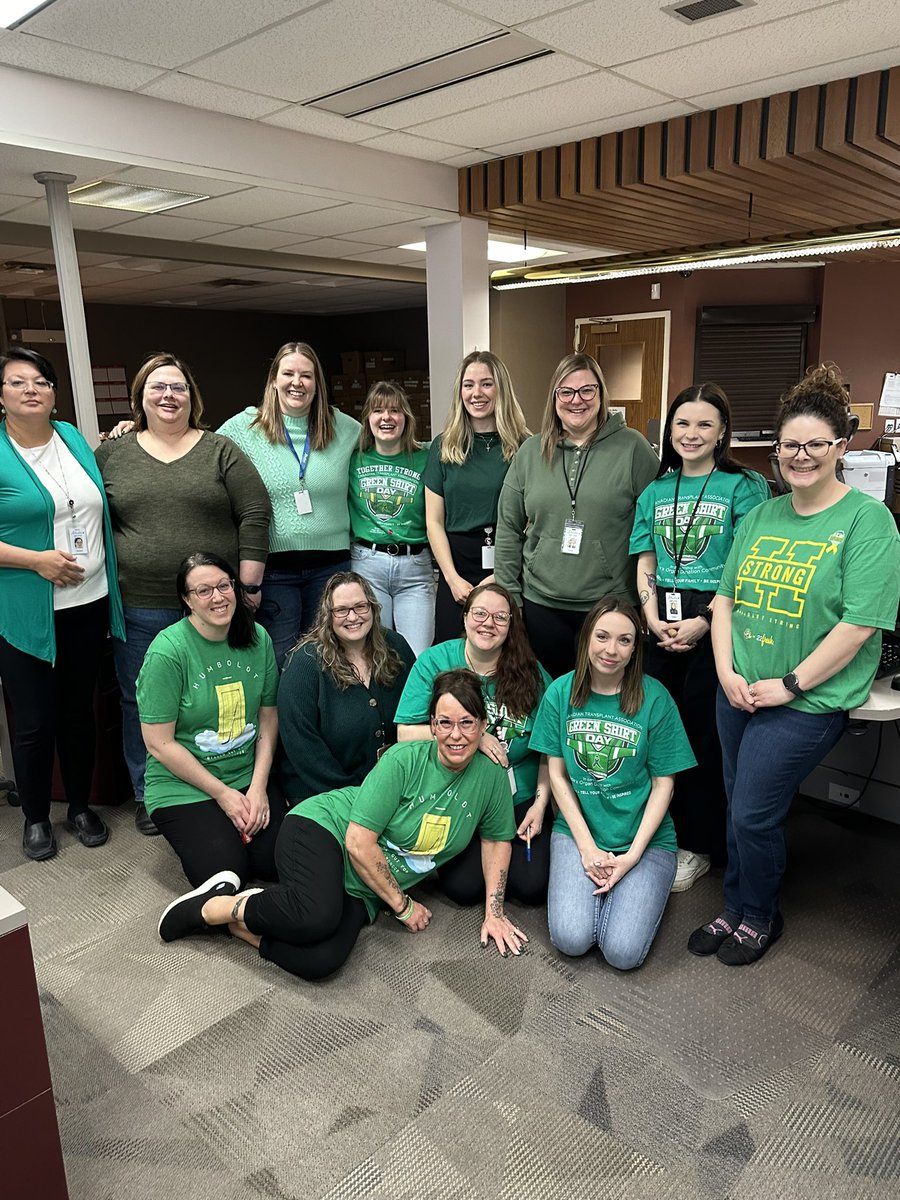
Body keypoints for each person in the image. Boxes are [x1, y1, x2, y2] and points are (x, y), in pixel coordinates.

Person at [690, 364, 900, 966]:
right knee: (738, 804)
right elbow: (724, 600)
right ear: (775, 452)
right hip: (739, 690)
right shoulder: (761, 516)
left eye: (814, 445)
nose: (800, 456)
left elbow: (860, 623)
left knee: (755, 811)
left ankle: (759, 914)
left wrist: (787, 685)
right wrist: (727, 670)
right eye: (789, 446)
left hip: (805, 699)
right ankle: (733, 906)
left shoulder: (867, 521)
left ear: (840, 447)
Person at [155, 669, 527, 981]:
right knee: (317, 916)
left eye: (467, 723)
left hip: (367, 883)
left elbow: (497, 841)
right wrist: (402, 906)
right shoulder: (403, 760)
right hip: (324, 829)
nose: (456, 735)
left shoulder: (491, 776)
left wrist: (495, 913)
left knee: (322, 961)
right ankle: (211, 910)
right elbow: (358, 842)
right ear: (431, 724)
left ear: (482, 726)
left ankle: (242, 918)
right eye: (444, 723)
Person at [96, 352, 270, 836]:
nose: (169, 395)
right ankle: (148, 792)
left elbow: (255, 512)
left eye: (179, 388)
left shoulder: (220, 449)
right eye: (158, 387)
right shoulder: (113, 453)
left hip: (215, 602)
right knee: (143, 703)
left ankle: (225, 780)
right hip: (140, 601)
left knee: (220, 696)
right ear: (141, 398)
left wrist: (248, 585)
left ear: (192, 397)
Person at [630, 383, 770, 892]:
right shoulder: (655, 489)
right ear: (670, 430)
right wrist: (649, 616)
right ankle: (656, 830)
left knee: (704, 735)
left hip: (718, 614)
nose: (691, 434)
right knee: (656, 729)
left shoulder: (743, 486)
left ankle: (699, 845)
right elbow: (646, 557)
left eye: (704, 424)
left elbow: (747, 563)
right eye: (682, 423)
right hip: (660, 616)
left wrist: (706, 619)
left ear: (722, 433)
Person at [0, 348, 125, 861]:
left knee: (79, 713)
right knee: (32, 722)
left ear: (54, 393)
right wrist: (35, 561)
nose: (32, 389)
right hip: (28, 612)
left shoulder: (72, 437)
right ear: (1, 395)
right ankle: (35, 817)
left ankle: (78, 805)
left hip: (88, 601)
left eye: (42, 381)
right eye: (17, 381)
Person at [530, 597, 696, 970]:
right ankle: (611, 890)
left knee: (622, 954)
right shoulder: (560, 692)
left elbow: (664, 785)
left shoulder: (655, 698)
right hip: (579, 833)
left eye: (624, 640)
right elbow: (556, 774)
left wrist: (632, 856)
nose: (611, 650)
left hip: (645, 840)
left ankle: (630, 886)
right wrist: (587, 848)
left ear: (636, 647)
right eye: (602, 636)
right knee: (571, 940)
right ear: (587, 637)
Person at [495, 352, 659, 679]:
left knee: (605, 701)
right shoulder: (531, 451)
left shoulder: (633, 449)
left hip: (609, 608)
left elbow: (656, 531)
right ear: (554, 397)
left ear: (601, 395)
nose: (576, 401)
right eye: (566, 392)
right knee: (548, 699)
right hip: (540, 605)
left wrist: (647, 603)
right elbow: (508, 529)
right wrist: (510, 600)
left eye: (587, 391)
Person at [395, 583, 551, 905]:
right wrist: (473, 737)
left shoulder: (531, 673)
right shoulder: (435, 661)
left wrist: (540, 803)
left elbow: (552, 747)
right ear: (465, 618)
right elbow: (406, 733)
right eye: (479, 613)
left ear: (511, 625)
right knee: (464, 889)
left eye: (500, 617)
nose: (488, 623)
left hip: (515, 793)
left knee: (531, 887)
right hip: (457, 790)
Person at [137, 553, 283, 891]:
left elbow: (267, 717)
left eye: (224, 586)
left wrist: (259, 787)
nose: (217, 597)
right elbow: (159, 743)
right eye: (203, 591)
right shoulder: (168, 652)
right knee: (228, 872)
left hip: (246, 773)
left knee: (275, 861)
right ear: (186, 600)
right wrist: (224, 795)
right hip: (182, 785)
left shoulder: (257, 638)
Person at [219, 342, 361, 666]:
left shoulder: (345, 428)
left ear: (317, 384)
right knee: (282, 661)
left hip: (332, 569)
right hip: (274, 572)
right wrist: (136, 428)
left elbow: (394, 444)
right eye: (288, 373)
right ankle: (285, 719)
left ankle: (322, 719)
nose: (297, 382)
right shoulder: (245, 429)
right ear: (273, 381)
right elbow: (196, 446)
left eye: (306, 375)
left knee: (331, 659)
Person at [277, 571, 415, 802]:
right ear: (327, 615)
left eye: (361, 607)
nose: (353, 617)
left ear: (373, 608)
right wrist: (353, 795)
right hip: (324, 792)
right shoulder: (306, 662)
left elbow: (419, 707)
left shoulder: (395, 646)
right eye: (341, 610)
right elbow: (302, 745)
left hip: (391, 787)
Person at [425, 351, 528, 644]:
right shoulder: (443, 446)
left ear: (501, 390)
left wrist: (502, 575)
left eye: (486, 384)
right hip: (455, 564)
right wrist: (452, 578)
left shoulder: (525, 446)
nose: (476, 393)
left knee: (505, 649)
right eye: (468, 385)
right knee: (450, 648)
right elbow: (433, 521)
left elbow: (534, 519)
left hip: (507, 560)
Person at [348, 381, 433, 655]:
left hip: (416, 570)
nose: (386, 417)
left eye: (395, 410)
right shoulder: (352, 459)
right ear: (368, 419)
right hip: (367, 565)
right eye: (378, 411)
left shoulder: (427, 457)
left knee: (416, 655)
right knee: (374, 653)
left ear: (406, 418)